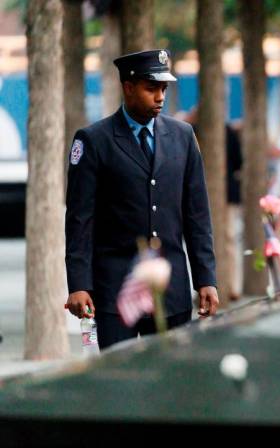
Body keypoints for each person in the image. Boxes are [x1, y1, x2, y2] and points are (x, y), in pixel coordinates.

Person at [64, 49, 219, 349]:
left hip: (171, 290)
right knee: (119, 384)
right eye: (151, 88)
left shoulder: (183, 136)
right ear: (128, 87)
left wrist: (206, 279)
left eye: (163, 88)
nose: (160, 96)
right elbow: (80, 220)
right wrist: (79, 285)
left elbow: (197, 216)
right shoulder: (94, 140)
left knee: (171, 380)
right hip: (115, 291)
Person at [180, 107, 243, 302]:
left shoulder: (194, 131)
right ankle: (232, 285)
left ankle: (232, 285)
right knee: (228, 239)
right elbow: (239, 162)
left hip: (225, 194)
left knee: (226, 238)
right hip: (224, 193)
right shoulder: (223, 131)